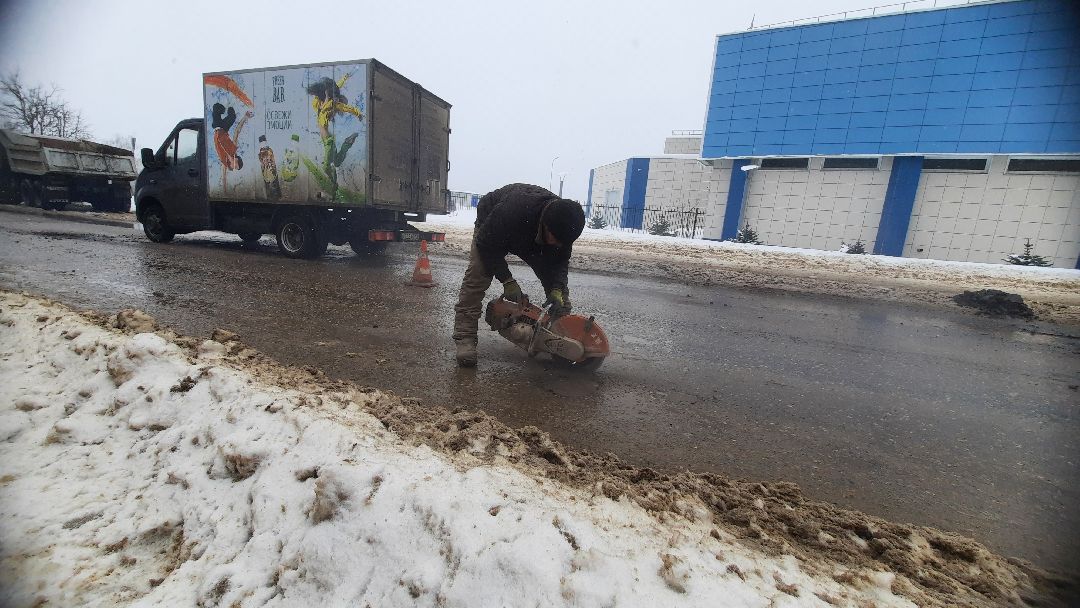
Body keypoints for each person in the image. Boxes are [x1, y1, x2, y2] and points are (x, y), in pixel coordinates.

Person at [453, 183, 586, 367]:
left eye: (563, 243)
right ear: (546, 226)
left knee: (560, 295)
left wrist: (556, 288)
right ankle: (465, 339)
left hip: (530, 235)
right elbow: (485, 244)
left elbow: (560, 263)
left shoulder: (564, 226)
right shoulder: (513, 212)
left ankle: (560, 338)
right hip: (493, 227)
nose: (558, 245)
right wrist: (507, 281)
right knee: (476, 279)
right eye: (556, 240)